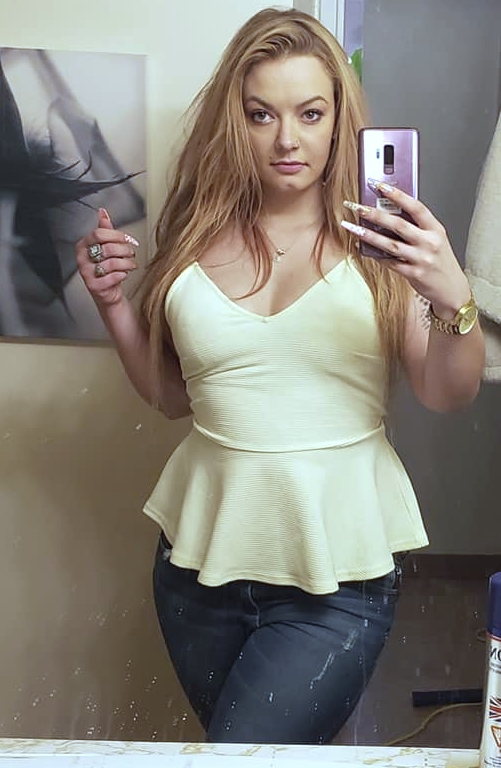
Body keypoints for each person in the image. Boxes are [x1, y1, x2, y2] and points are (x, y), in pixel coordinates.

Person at [75, 7, 485, 745]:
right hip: (196, 571)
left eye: (310, 113)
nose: (286, 139)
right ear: (235, 120)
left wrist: (453, 298)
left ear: (338, 121)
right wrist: (113, 307)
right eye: (261, 113)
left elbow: (445, 391)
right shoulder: (194, 232)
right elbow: (172, 398)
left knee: (243, 756)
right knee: (249, 754)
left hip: (337, 576)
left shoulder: (381, 243)